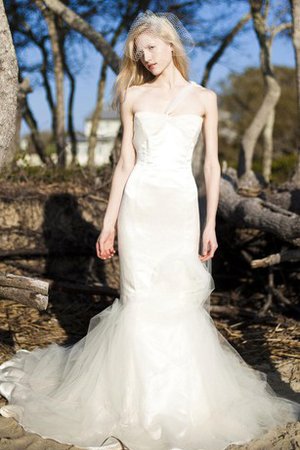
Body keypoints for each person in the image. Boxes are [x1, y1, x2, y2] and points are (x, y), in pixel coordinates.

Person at [0, 9, 299, 450]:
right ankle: (134, 402)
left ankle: (181, 400)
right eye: (139, 53)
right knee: (138, 298)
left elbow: (212, 166)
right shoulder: (134, 97)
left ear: (170, 45)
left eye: (152, 48)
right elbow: (125, 164)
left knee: (179, 297)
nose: (146, 58)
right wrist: (108, 223)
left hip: (180, 206)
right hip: (139, 207)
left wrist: (210, 221)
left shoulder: (205, 98)